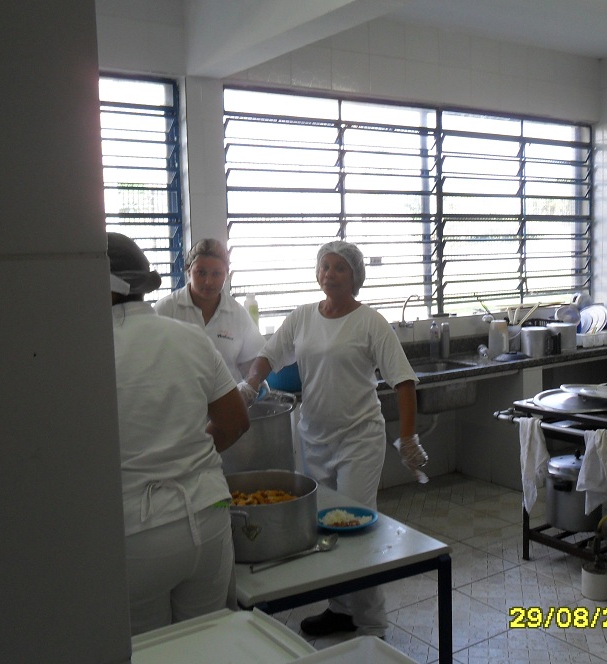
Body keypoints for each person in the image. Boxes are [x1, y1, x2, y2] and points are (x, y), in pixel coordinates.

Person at [241, 240, 421, 639]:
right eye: (325, 266)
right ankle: (340, 609)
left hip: (359, 439)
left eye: (340, 267)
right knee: (324, 526)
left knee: (356, 528)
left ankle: (372, 622)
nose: (330, 274)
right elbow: (268, 356)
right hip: (314, 439)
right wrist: (250, 385)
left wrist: (408, 438)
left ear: (355, 276)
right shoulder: (303, 317)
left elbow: (403, 380)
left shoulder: (370, 322)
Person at [107, 232, 250, 635]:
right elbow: (235, 422)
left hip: (138, 531)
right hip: (209, 514)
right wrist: (187, 458)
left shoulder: (86, 349)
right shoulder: (189, 337)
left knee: (150, 650)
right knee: (207, 643)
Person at [154, 238, 264, 381]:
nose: (208, 282)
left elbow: (253, 363)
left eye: (217, 274)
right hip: (180, 394)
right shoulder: (166, 310)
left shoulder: (238, 314)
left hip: (227, 394)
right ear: (189, 271)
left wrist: (251, 386)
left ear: (227, 275)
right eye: (201, 273)